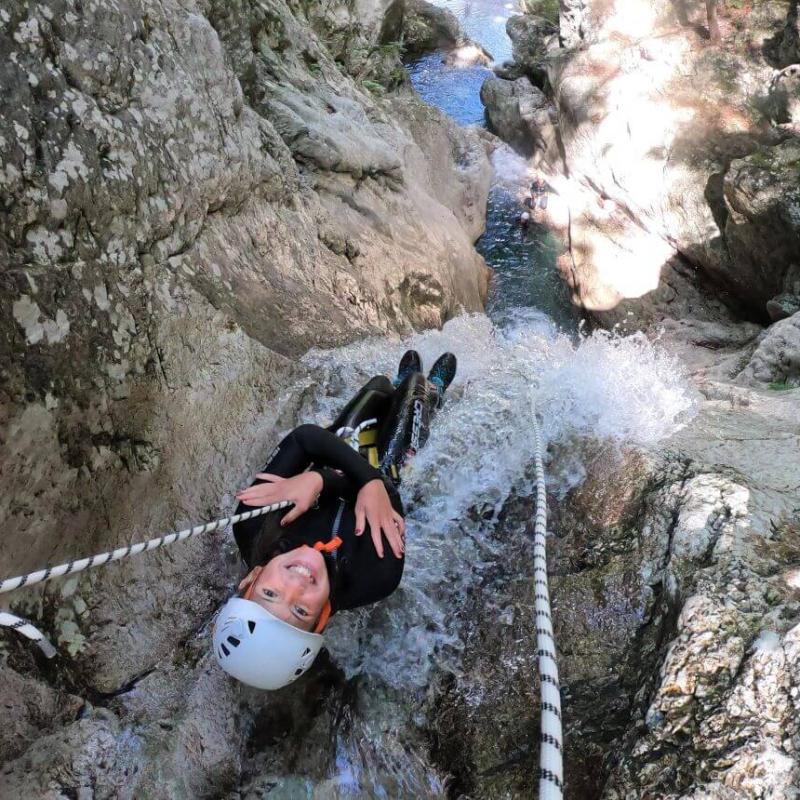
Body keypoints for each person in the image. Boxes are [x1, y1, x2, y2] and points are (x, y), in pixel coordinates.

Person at [212, 350, 458, 690]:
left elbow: (305, 438)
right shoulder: (376, 578)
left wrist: (319, 476)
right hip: (384, 474)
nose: (296, 585)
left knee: (379, 387)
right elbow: (387, 499)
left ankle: (398, 385)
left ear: (252, 577)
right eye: (301, 611)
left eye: (270, 593)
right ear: (323, 616)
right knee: (414, 390)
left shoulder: (251, 524)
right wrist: (325, 481)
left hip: (338, 450)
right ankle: (434, 394)